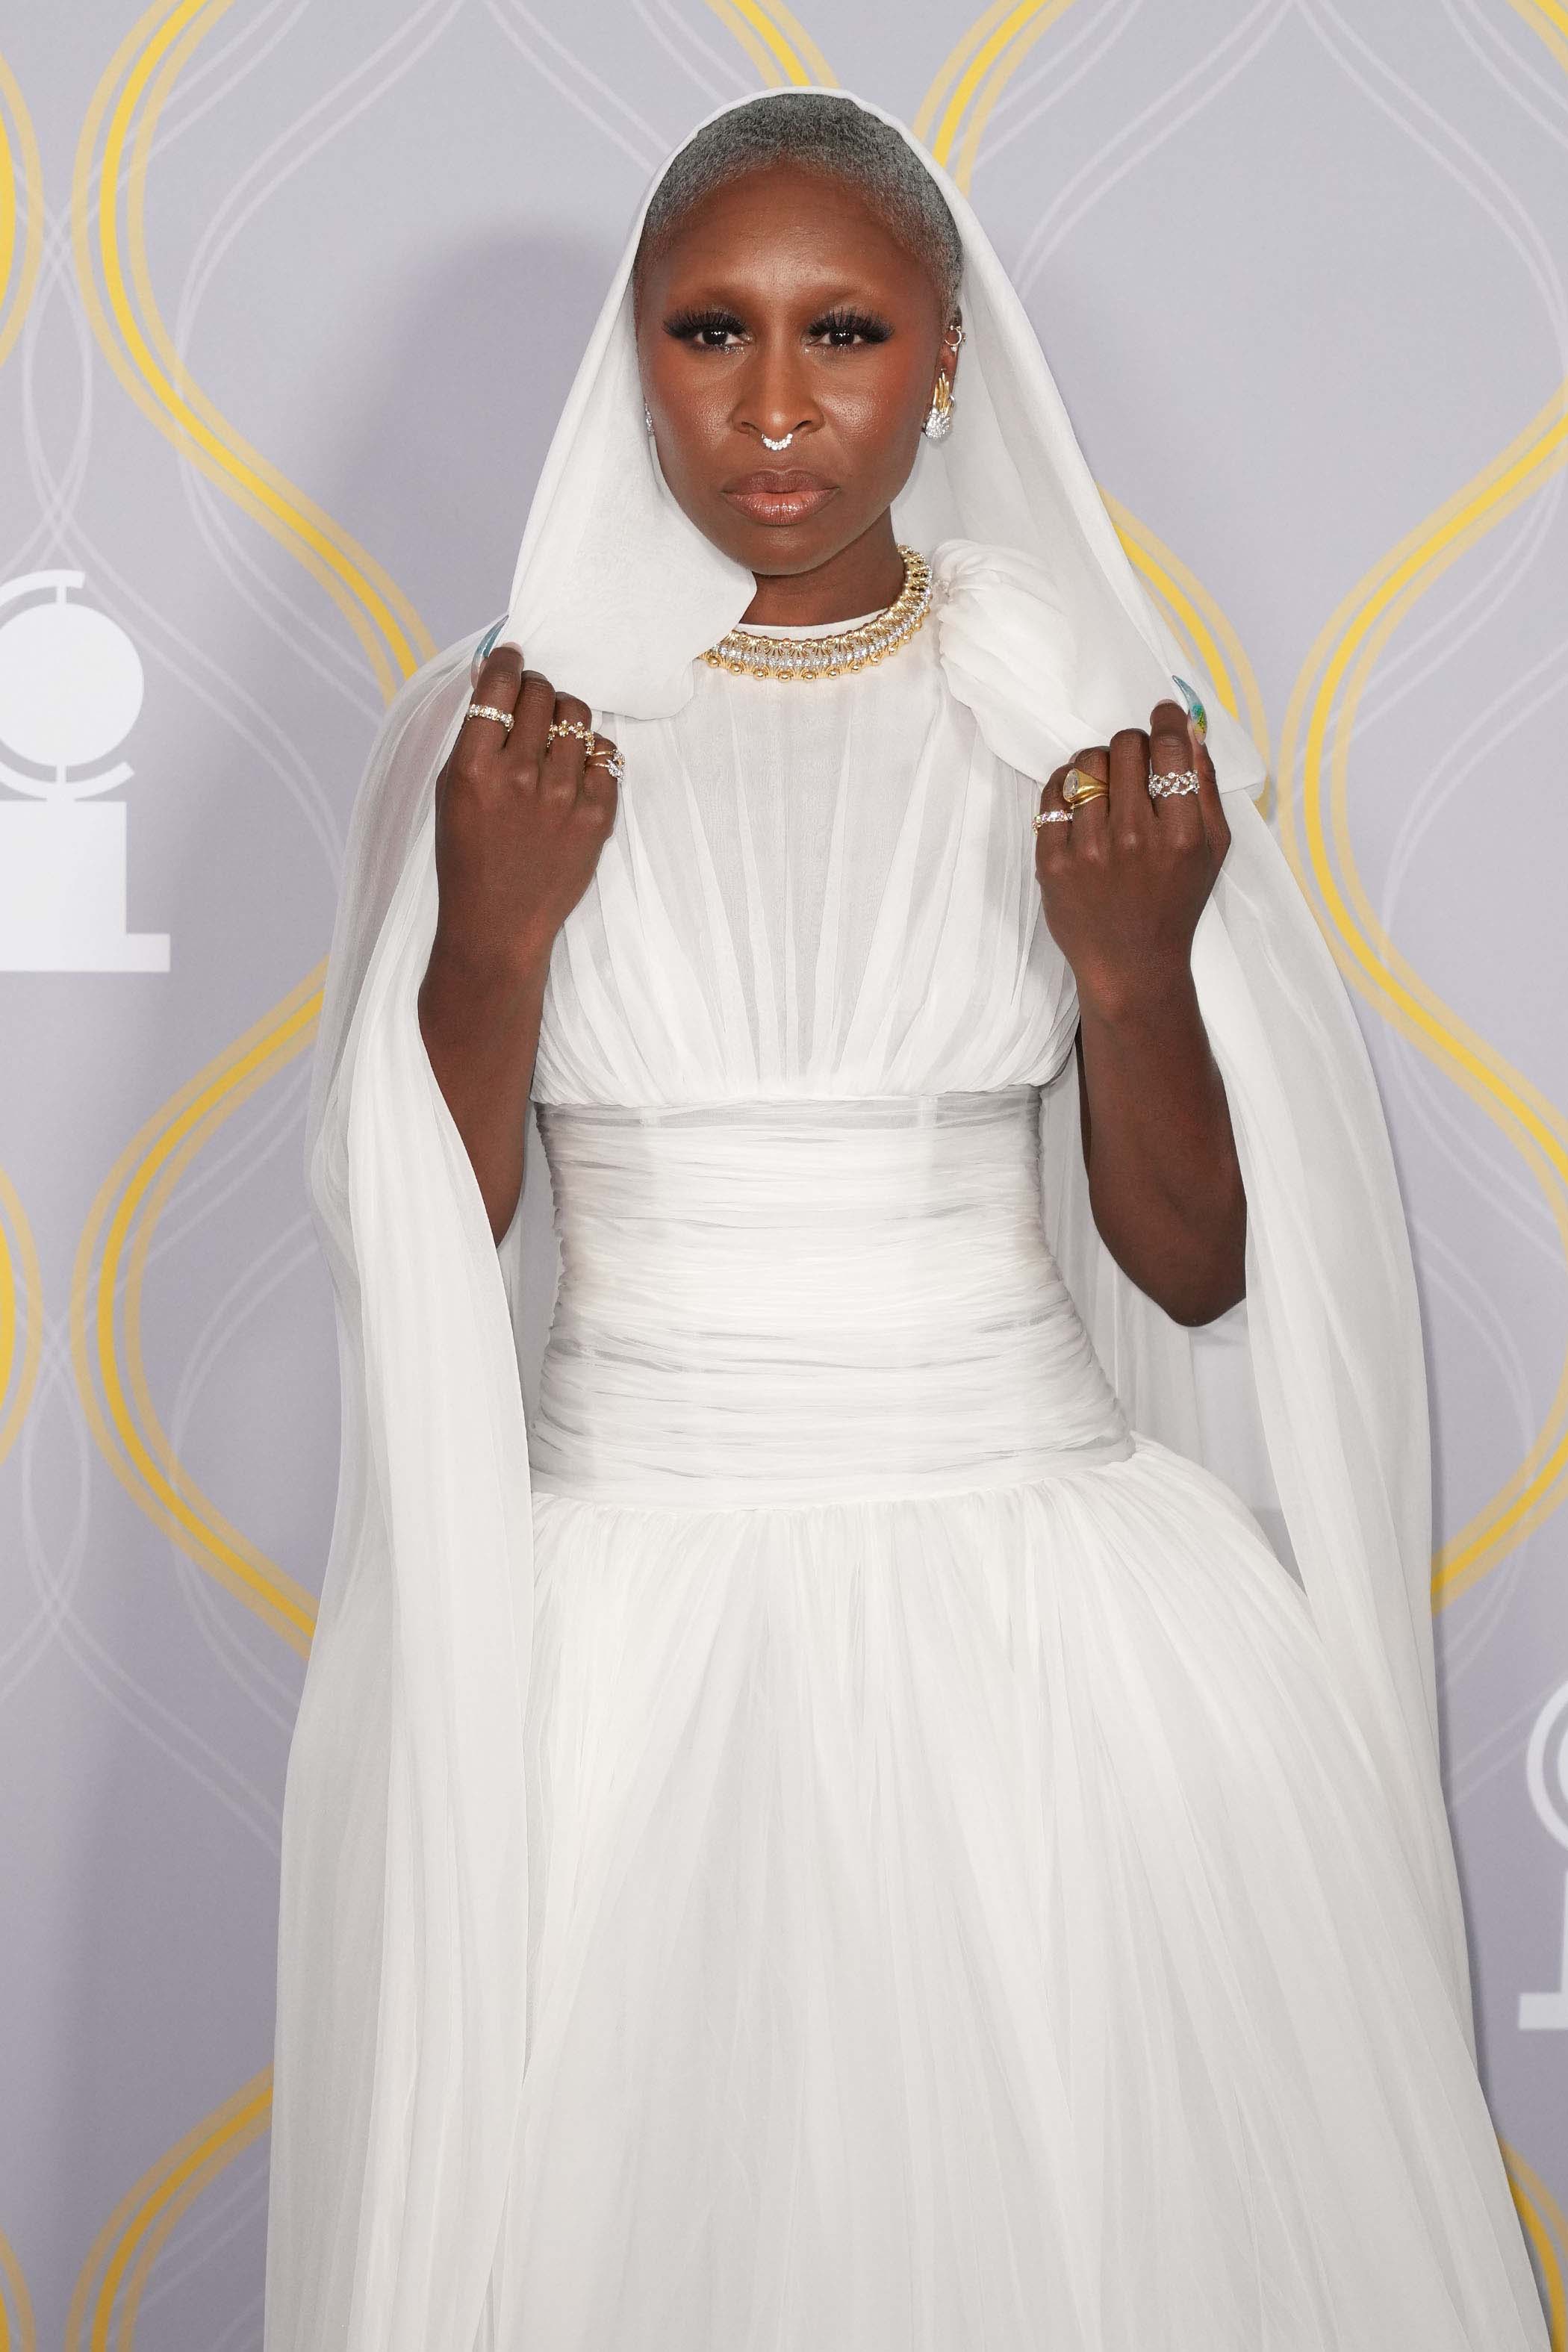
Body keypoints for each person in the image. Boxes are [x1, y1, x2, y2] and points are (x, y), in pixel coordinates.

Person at [261, 89, 1550, 2352]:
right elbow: (421, 1250)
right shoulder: (499, 735)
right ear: (634, 353)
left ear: (946, 357)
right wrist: (496, 937)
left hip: (1048, 1632)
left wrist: (1134, 973)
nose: (775, 408)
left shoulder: (1080, 718)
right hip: (616, 1646)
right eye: (711, 331)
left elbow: (1197, 1267)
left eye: (842, 332)